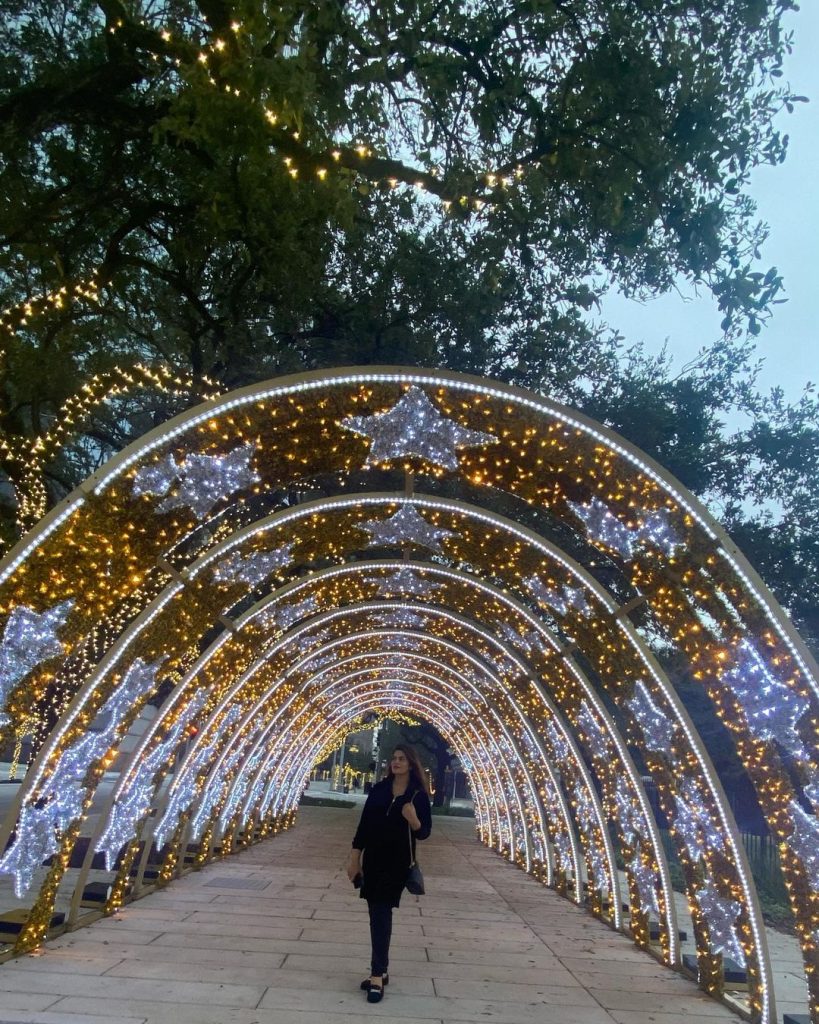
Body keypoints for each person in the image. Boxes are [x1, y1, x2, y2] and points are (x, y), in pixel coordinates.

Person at [346, 744, 432, 1003]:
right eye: (393, 758)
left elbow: (424, 832)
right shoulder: (380, 790)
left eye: (401, 759)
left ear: (411, 763)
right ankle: (380, 970)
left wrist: (413, 819)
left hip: (397, 864)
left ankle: (376, 974)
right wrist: (354, 858)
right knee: (377, 914)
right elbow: (364, 826)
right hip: (373, 860)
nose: (396, 762)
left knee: (381, 912)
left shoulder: (417, 795)